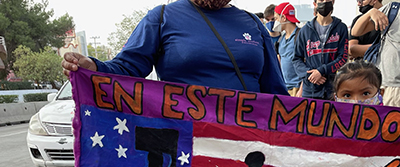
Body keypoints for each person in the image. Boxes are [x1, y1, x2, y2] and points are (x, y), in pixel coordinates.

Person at [62, 0, 288, 95]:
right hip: (184, 140)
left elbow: (274, 88)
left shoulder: (252, 22)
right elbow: (127, 68)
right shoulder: (161, 17)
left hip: (247, 139)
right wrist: (92, 66)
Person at [293, 0, 349, 99]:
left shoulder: (341, 28)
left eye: (328, 0)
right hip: (310, 90)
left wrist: (321, 71)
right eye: (322, 0)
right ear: (315, 3)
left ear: (333, 3)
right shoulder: (304, 31)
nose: (325, 2)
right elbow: (297, 59)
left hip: (332, 89)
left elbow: (343, 57)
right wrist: (311, 75)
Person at [273, 2, 302, 96]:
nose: (275, 22)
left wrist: (301, 90)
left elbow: (308, 64)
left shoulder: (300, 37)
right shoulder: (281, 39)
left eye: (276, 18)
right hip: (285, 87)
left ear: (284, 18)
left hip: (297, 89)